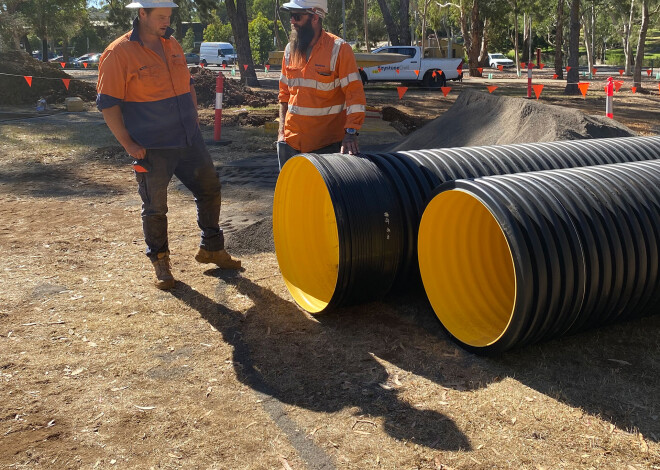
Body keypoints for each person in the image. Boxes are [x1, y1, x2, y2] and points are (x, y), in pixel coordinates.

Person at [96, 0, 241, 290]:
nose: (166, 22)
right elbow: (108, 104)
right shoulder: (118, 52)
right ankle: (160, 262)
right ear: (142, 14)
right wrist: (128, 144)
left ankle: (212, 248)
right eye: (161, 16)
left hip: (188, 138)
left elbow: (186, 83)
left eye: (169, 16)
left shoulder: (171, 43)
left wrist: (193, 114)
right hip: (152, 146)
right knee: (155, 206)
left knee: (210, 188)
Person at [277, 0, 366, 170]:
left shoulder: (339, 49)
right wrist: (281, 133)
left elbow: (355, 94)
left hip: (326, 147)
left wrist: (351, 133)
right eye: (291, 16)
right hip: (290, 143)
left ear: (315, 18)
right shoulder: (290, 50)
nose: (292, 21)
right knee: (292, 195)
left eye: (297, 16)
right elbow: (284, 95)